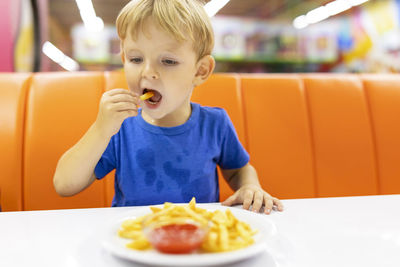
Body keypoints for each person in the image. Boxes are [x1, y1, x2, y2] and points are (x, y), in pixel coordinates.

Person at [53, 0, 283, 214]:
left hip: (197, 239)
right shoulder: (119, 128)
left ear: (200, 71)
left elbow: (238, 170)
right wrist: (100, 129)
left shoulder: (215, 124)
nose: (147, 72)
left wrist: (250, 186)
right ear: (123, 59)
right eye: (136, 59)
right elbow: (64, 184)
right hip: (134, 242)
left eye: (168, 61)